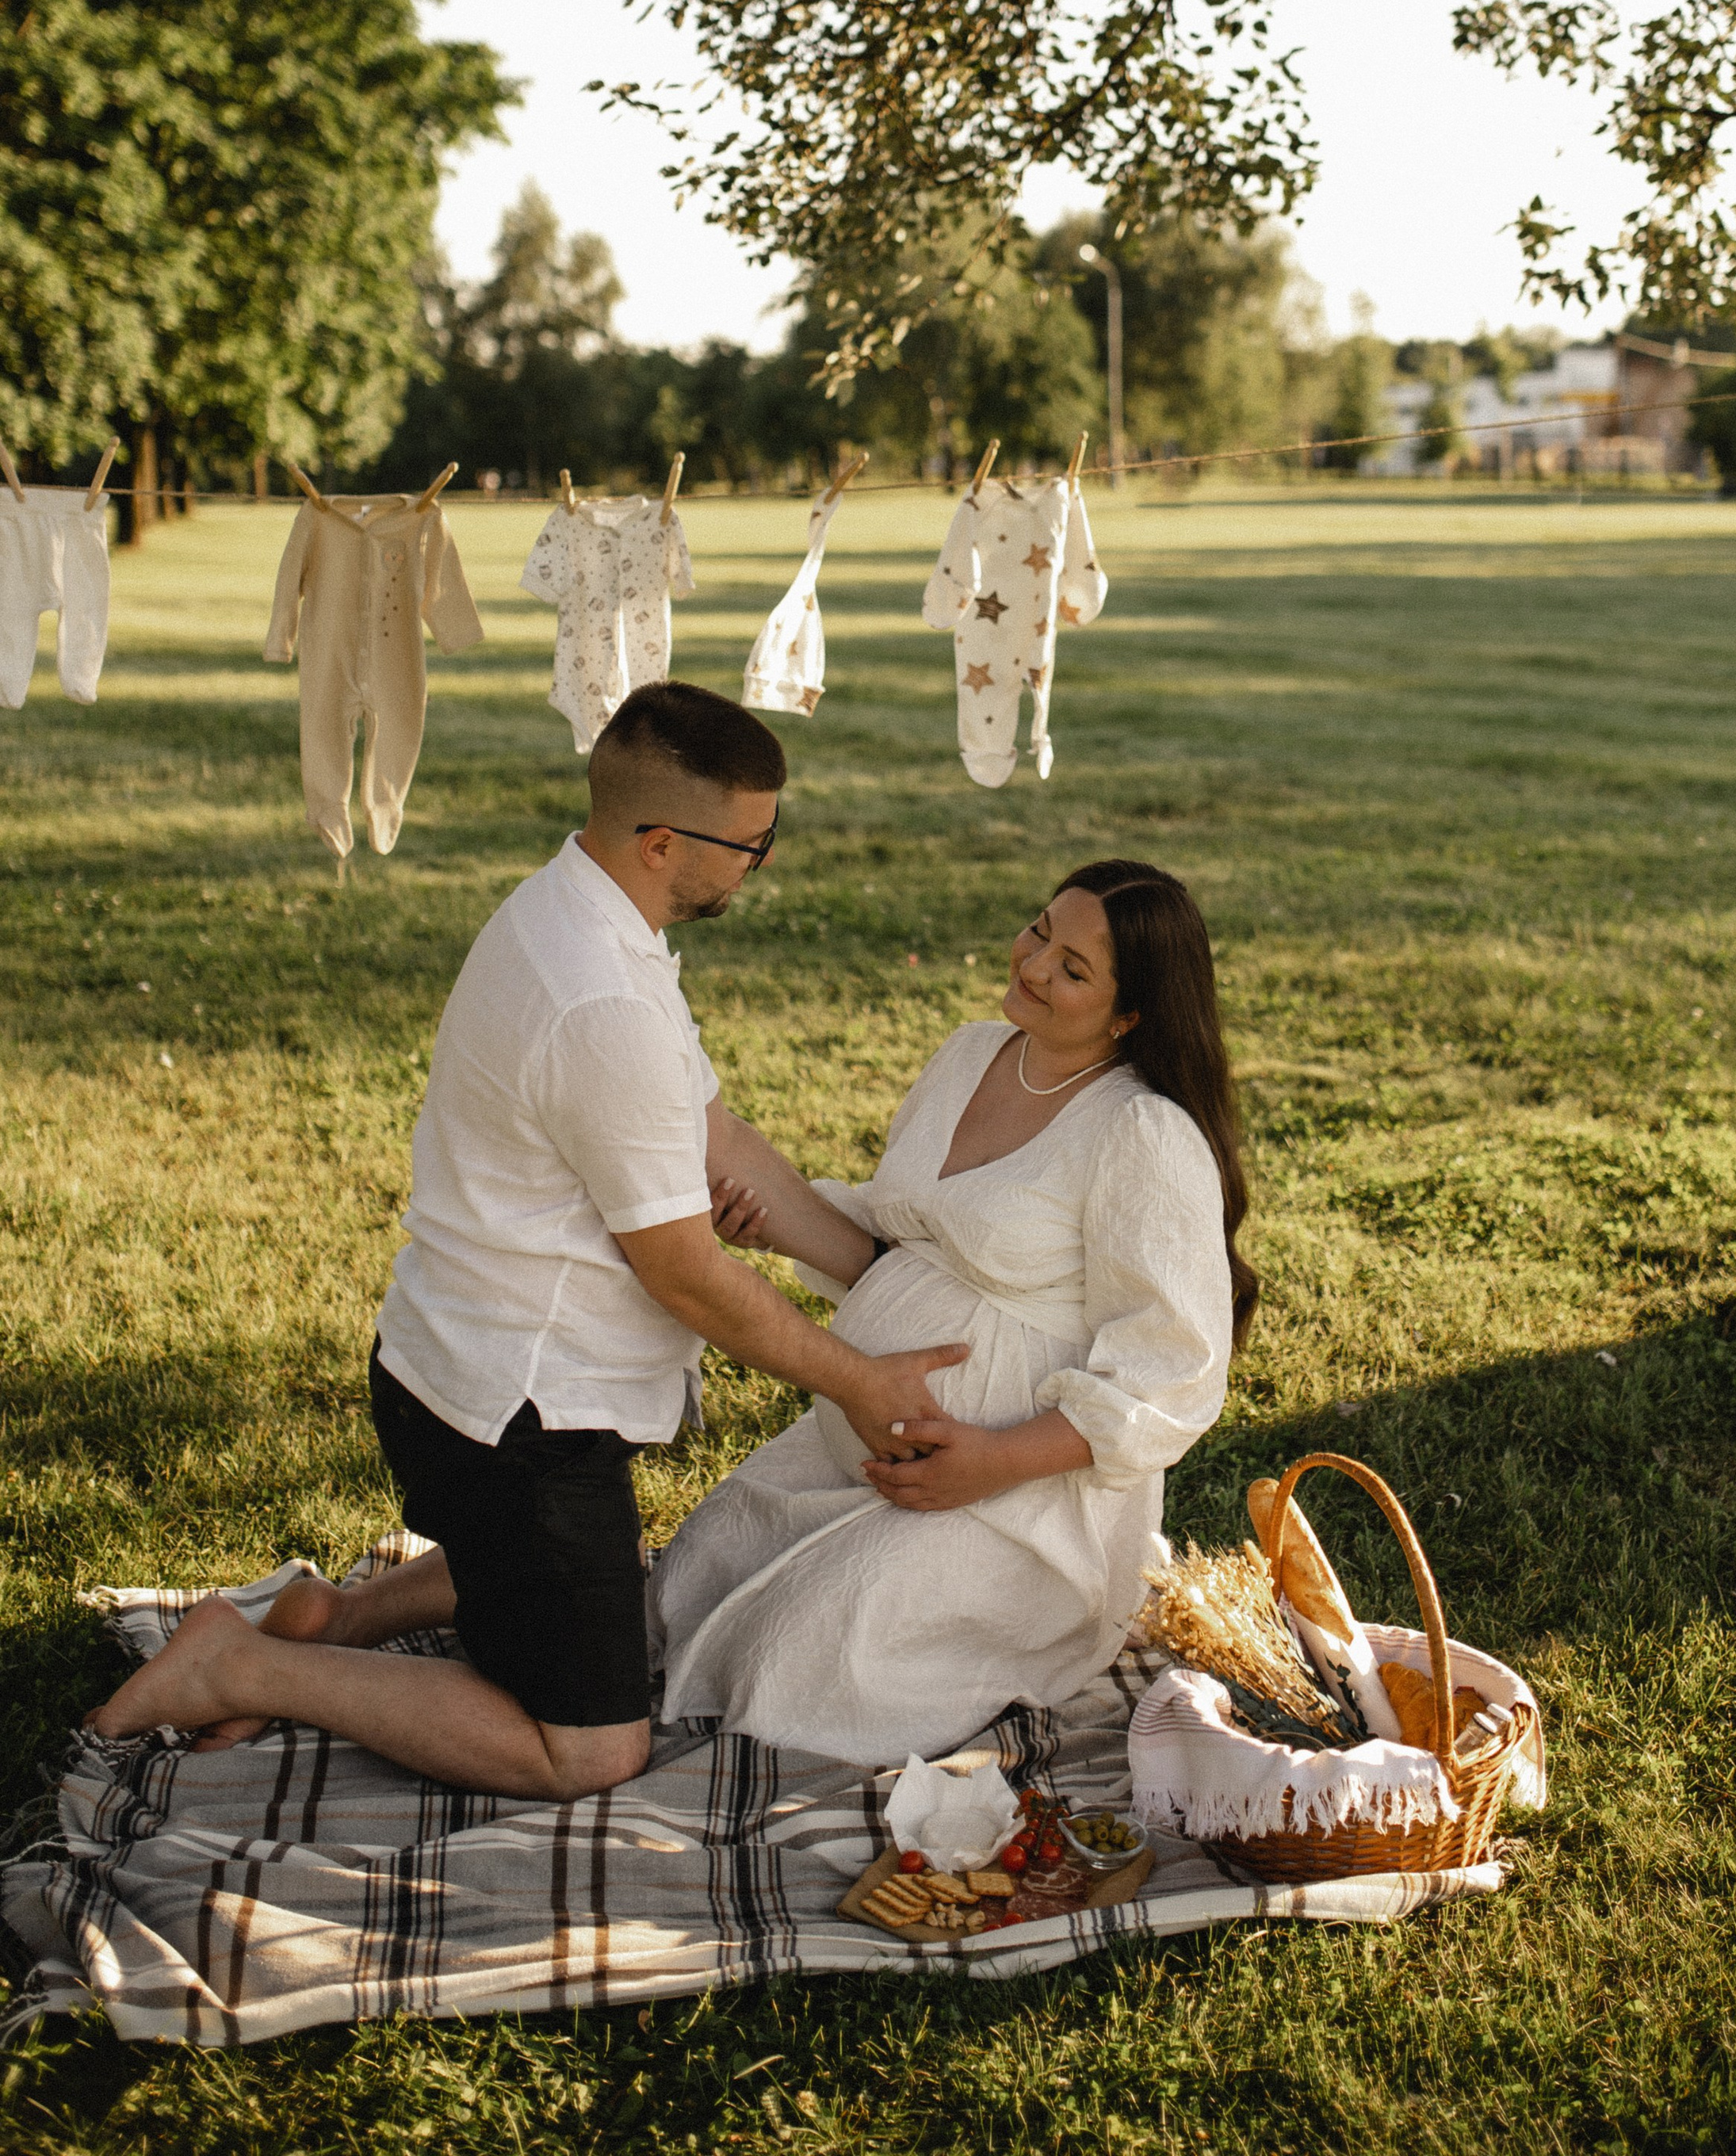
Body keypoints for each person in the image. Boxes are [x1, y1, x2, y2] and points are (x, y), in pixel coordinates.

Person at [86, 682, 967, 1799]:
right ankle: (239, 1665)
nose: (764, 865)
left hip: (469, 1369)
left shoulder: (587, 913)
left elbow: (715, 1137)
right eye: (753, 845)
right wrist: (861, 1378)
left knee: (570, 1582)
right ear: (660, 843)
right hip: (511, 1425)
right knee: (591, 1749)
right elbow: (688, 1275)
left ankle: (334, 1618)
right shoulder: (599, 999)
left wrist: (880, 1274)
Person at [650, 857, 1255, 1764]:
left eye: (1074, 968)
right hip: (864, 1445)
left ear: (1129, 1015)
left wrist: (995, 1460)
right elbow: (902, 1247)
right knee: (688, 1581)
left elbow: (1172, 1372)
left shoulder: (1141, 1132)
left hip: (1024, 1497)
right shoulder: (972, 1052)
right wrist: (773, 1226)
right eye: (1040, 928)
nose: (1035, 963)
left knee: (807, 1655)